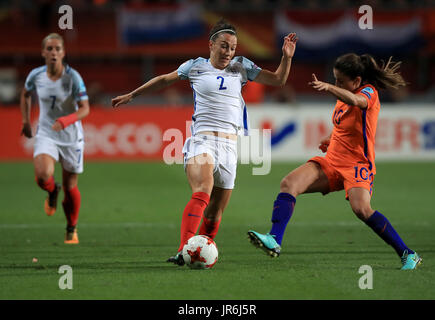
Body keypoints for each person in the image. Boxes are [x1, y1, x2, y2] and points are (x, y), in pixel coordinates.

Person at [112, 19, 298, 265]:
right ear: (211, 44)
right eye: (223, 46)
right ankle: (183, 251)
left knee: (215, 212)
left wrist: (286, 58)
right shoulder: (195, 67)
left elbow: (277, 80)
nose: (228, 52)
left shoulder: (241, 67)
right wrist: (133, 95)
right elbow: (164, 79)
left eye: (232, 48)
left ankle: (203, 251)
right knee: (203, 190)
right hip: (203, 140)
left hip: (230, 148)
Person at [248, 53, 422, 270]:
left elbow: (357, 102)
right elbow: (346, 125)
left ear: (356, 81)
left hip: (357, 165)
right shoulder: (343, 96)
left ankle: (408, 253)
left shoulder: (368, 92)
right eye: (335, 79)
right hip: (331, 162)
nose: (337, 84)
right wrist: (331, 138)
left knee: (362, 210)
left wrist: (329, 87)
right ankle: (274, 239)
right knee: (289, 183)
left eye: (340, 81)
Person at [20, 33, 90, 244]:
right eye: (49, 48)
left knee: (71, 187)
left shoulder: (73, 77)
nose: (53, 52)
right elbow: (25, 94)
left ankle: (71, 228)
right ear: (43, 52)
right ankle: (52, 190)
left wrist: (67, 119)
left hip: (70, 136)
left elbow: (85, 108)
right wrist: (25, 121)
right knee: (42, 175)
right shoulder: (36, 75)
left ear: (63, 53)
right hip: (47, 133)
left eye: (57, 49)